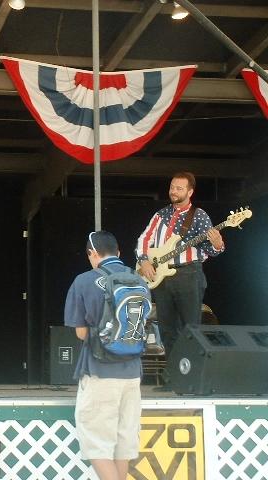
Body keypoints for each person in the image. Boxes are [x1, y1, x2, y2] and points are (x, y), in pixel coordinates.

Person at [64, 231, 144, 480]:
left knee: (97, 441)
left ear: (92, 253)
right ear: (119, 252)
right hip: (132, 372)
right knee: (123, 442)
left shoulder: (84, 281)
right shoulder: (138, 280)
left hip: (100, 369)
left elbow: (80, 332)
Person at [136, 172, 224, 359]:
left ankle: (190, 376)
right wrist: (144, 260)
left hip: (189, 274)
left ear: (190, 192)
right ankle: (172, 377)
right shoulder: (161, 215)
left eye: (179, 188)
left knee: (191, 328)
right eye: (172, 187)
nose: (174, 191)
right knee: (167, 328)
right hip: (162, 278)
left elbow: (211, 249)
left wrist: (218, 244)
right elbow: (144, 238)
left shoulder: (199, 216)